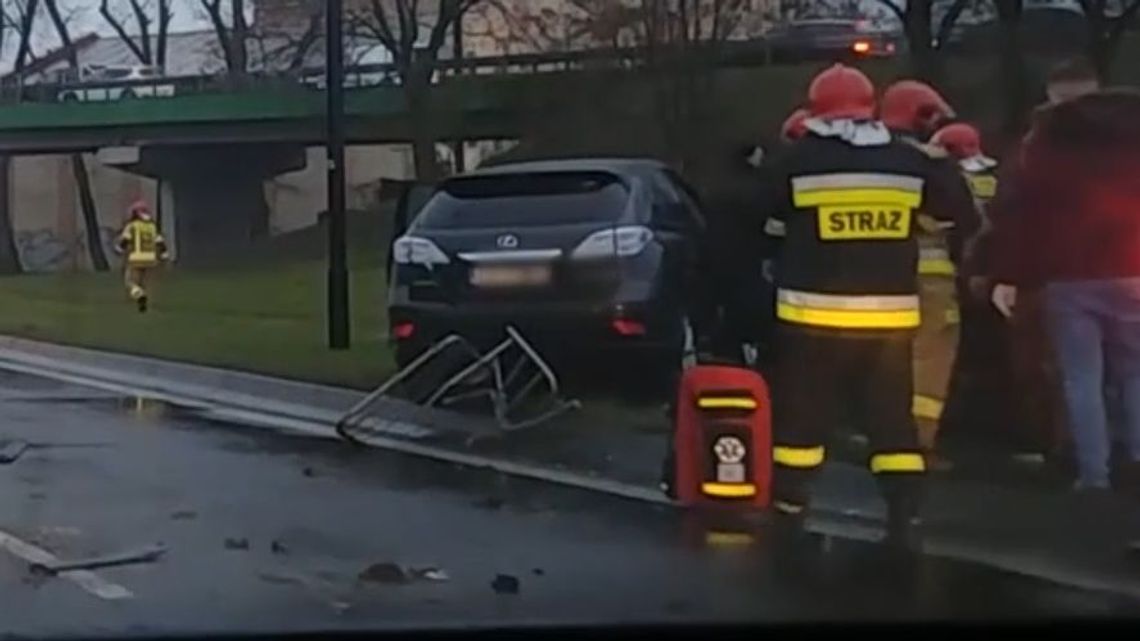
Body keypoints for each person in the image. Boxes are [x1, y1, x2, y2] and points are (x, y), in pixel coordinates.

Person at [757, 64, 974, 546]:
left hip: (812, 320)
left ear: (816, 110)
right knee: (891, 419)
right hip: (889, 323)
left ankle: (791, 501)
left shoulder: (795, 160)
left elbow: (762, 218)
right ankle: (903, 509)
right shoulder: (909, 160)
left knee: (804, 417)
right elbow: (957, 212)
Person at [987, 87, 1140, 495]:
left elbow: (1022, 215)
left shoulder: (1046, 148)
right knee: (1135, 374)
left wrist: (1010, 276)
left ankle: (1094, 475)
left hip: (1067, 277)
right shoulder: (1132, 142)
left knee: (1081, 377)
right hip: (1133, 271)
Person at [879, 80, 979, 452]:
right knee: (930, 363)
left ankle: (880, 433)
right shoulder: (934, 166)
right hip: (932, 285)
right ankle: (916, 442)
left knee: (882, 362)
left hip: (876, 282)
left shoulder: (869, 157)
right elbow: (967, 221)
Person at [115, 200, 168, 313]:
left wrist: (119, 249)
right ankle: (146, 304)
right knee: (145, 282)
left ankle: (139, 295)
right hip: (150, 258)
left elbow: (125, 240)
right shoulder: (152, 226)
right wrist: (164, 254)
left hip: (136, 258)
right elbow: (160, 242)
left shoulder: (132, 226)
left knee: (130, 281)